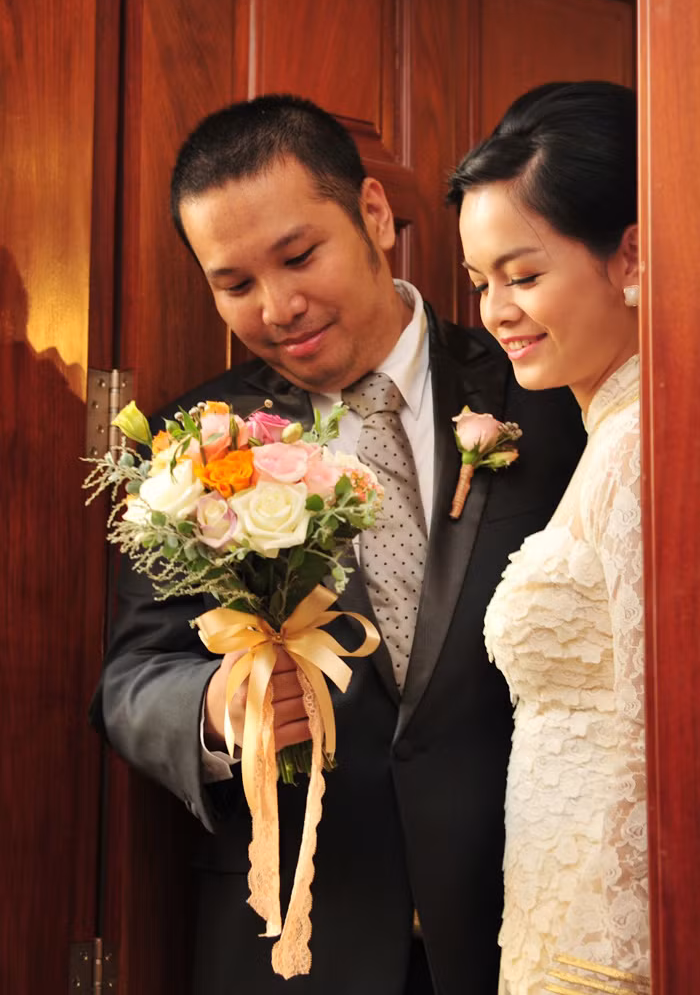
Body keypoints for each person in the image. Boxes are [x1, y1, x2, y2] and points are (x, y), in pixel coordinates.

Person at [93, 94, 584, 995]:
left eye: (298, 257)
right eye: (235, 285)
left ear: (372, 214)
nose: (278, 307)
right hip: (300, 936)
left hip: (522, 917)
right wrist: (213, 708)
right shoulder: (190, 446)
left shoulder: (544, 390)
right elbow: (130, 681)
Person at [447, 80, 648, 995]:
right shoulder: (612, 434)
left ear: (629, 256)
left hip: (611, 947)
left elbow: (662, 740)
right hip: (557, 918)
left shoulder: (645, 447)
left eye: (523, 276)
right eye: (481, 283)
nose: (496, 311)